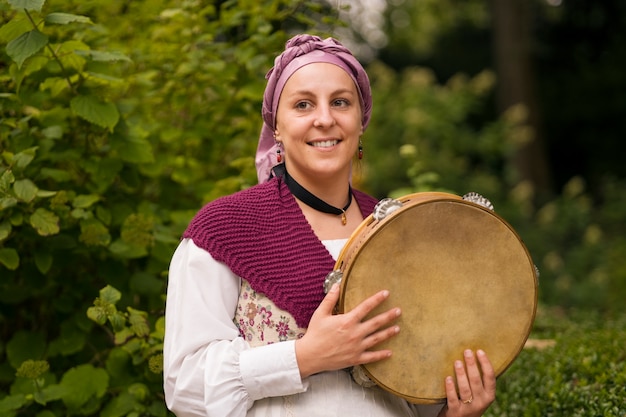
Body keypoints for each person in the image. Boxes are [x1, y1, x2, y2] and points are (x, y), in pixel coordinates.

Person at [163, 34, 497, 417]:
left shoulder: (401, 228)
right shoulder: (225, 228)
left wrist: (454, 412)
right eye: (303, 104)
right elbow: (184, 385)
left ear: (360, 120)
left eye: (340, 102)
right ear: (276, 128)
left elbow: (417, 382)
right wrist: (304, 356)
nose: (325, 119)